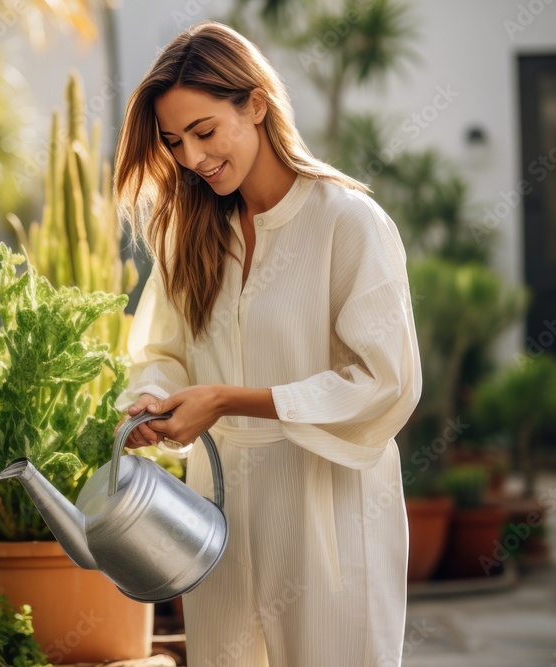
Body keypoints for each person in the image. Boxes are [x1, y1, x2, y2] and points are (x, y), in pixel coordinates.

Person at [112, 20, 422, 667]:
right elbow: (162, 351)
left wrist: (227, 399)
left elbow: (385, 379)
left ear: (255, 103)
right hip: (216, 517)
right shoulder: (188, 232)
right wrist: (150, 399)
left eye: (204, 132)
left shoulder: (347, 222)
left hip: (326, 511)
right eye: (174, 142)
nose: (192, 158)